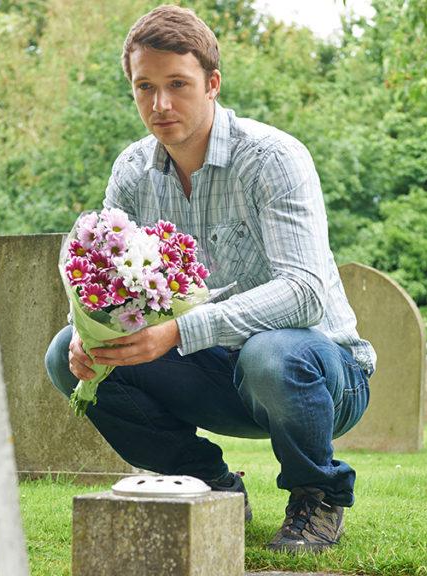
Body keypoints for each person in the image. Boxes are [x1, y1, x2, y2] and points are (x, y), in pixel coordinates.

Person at [45, 4, 375, 554]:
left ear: (213, 83)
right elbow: (106, 285)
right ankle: (209, 486)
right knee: (65, 356)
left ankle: (318, 494)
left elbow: (306, 291)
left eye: (178, 84)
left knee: (271, 355)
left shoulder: (273, 158)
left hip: (319, 373)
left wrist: (179, 331)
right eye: (144, 86)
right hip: (207, 376)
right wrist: (90, 335)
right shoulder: (131, 171)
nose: (161, 104)